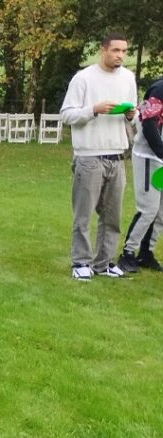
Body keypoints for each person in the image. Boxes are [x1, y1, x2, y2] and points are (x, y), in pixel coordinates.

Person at [60, 33, 138, 280]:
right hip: (89, 156)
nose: (120, 56)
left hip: (117, 155)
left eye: (124, 51)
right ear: (103, 50)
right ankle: (81, 262)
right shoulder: (83, 78)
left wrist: (129, 115)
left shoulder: (128, 78)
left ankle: (104, 262)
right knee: (83, 214)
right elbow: (67, 115)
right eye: (115, 50)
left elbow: (134, 115)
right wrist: (93, 110)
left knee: (112, 215)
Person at [117, 77, 163, 274]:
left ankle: (146, 252)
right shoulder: (159, 89)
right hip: (148, 157)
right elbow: (149, 123)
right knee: (148, 209)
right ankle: (127, 252)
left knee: (161, 212)